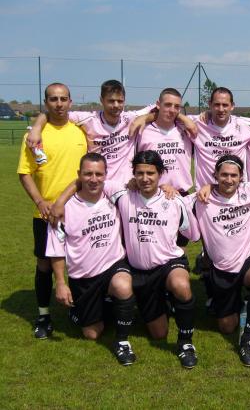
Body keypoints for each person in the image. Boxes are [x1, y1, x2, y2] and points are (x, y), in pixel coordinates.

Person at [110, 150, 201, 368]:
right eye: (139, 173)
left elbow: (194, 235)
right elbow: (88, 180)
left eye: (150, 173)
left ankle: (185, 343)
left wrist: (181, 200)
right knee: (159, 333)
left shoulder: (174, 201)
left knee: (181, 284)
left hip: (169, 264)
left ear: (160, 174)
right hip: (140, 270)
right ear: (133, 175)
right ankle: (153, 309)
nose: (145, 178)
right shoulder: (123, 195)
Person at [45, 153, 136, 365]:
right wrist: (60, 283)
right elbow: (56, 251)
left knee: (123, 286)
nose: (93, 179)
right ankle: (89, 308)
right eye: (88, 174)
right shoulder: (63, 211)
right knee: (92, 333)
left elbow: (146, 181)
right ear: (79, 176)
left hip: (114, 265)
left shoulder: (113, 194)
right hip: (84, 277)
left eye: (98, 174)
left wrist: (169, 189)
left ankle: (122, 342)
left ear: (106, 175)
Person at [17, 82, 87, 339]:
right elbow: (25, 174)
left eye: (63, 99)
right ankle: (44, 315)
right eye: (53, 99)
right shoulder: (34, 136)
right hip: (45, 214)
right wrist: (39, 202)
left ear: (71, 102)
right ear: (46, 103)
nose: (59, 104)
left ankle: (78, 308)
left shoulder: (80, 132)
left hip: (79, 212)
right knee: (45, 264)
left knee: (80, 262)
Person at [190, 155, 250, 366]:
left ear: (241, 177)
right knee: (227, 326)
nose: (228, 180)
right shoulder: (200, 199)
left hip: (247, 257)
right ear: (215, 175)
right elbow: (170, 202)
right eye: (224, 175)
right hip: (222, 266)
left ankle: (247, 341)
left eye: (233, 175)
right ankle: (224, 289)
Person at [26, 80, 156, 184]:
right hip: (97, 186)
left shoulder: (130, 118)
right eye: (111, 101)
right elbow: (53, 113)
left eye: (120, 101)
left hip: (127, 186)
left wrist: (146, 117)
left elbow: (160, 108)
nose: (116, 105)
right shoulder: (88, 119)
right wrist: (37, 128)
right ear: (102, 100)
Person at [136, 88, 194, 194]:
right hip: (153, 194)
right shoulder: (143, 131)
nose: (172, 110)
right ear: (158, 104)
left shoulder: (185, 130)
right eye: (168, 105)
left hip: (182, 194)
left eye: (176, 106)